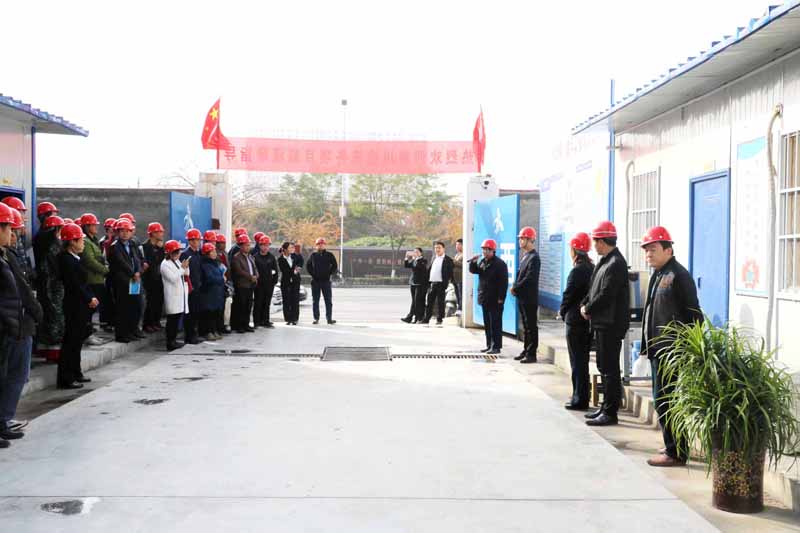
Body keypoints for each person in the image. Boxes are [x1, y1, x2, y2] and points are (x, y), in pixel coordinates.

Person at [639, 226, 702, 467]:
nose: (648, 254)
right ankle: (673, 445)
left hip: (672, 352)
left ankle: (675, 452)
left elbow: (694, 315)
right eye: (646, 250)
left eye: (653, 249)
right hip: (658, 349)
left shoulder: (679, 276)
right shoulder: (659, 274)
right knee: (662, 399)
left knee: (667, 400)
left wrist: (688, 350)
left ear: (668, 250)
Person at [581, 220, 630, 427]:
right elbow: (593, 288)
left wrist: (588, 309)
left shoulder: (616, 263)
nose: (594, 246)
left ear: (603, 241)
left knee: (610, 368)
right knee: (603, 365)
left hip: (611, 323)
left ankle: (610, 412)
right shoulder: (604, 261)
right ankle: (605, 407)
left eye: (595, 241)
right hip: (601, 322)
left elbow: (607, 294)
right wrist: (585, 304)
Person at [0, 203, 39, 445]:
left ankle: (3, 421)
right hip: (9, 328)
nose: (13, 234)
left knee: (15, 375)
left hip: (16, 326)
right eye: (9, 229)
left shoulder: (7, 256)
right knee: (12, 375)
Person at [57, 223, 99, 389]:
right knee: (71, 342)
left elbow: (83, 282)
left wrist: (91, 296)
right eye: (80, 240)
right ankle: (66, 378)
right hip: (74, 305)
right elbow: (75, 284)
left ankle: (76, 372)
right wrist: (89, 298)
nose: (82, 243)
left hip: (81, 305)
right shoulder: (66, 260)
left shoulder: (75, 258)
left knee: (77, 341)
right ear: (72, 242)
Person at [559, 233, 594, 410]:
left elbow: (569, 294)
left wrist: (562, 311)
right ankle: (582, 395)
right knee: (583, 360)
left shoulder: (577, 270)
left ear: (574, 250)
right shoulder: (592, 268)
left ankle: (579, 398)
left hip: (574, 320)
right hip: (586, 321)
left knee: (577, 361)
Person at [468, 239, 509, 354]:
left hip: (495, 299)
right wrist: (473, 262)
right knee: (487, 323)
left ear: (493, 250)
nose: (484, 252)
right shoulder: (483, 261)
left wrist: (501, 298)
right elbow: (474, 270)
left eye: (487, 250)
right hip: (484, 298)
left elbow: (504, 283)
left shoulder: (499, 264)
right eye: (483, 250)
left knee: (495, 323)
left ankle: (496, 346)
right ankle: (489, 345)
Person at [107, 218, 143, 343]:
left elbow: (137, 259)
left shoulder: (132, 244)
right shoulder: (115, 247)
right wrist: (133, 274)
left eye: (127, 231)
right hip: (122, 281)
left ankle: (132, 331)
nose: (125, 233)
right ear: (117, 232)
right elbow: (121, 263)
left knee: (134, 305)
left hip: (134, 280)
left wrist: (138, 271)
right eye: (122, 231)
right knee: (123, 308)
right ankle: (122, 334)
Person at [34, 211, 65, 349]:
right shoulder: (52, 245)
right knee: (54, 311)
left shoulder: (42, 240)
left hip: (48, 282)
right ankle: (53, 338)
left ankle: (51, 338)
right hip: (51, 283)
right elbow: (55, 266)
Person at [511, 227, 540, 364]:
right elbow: (520, 275)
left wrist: (516, 287)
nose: (520, 241)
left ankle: (531, 353)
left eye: (522, 238)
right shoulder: (526, 256)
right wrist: (515, 287)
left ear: (530, 240)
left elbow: (529, 278)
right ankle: (526, 350)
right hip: (522, 297)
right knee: (526, 326)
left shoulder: (534, 258)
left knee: (531, 326)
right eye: (520, 239)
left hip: (529, 298)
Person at [78, 213, 109, 346]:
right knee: (88, 310)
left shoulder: (93, 241)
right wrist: (105, 270)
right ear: (86, 226)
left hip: (98, 279)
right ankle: (87, 335)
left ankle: (89, 333)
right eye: (93, 225)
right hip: (91, 280)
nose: (96, 227)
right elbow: (90, 261)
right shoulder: (85, 241)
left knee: (92, 310)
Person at [160, 240, 190, 351]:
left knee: (176, 319)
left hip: (179, 295)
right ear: (170, 253)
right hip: (172, 295)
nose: (178, 254)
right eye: (176, 252)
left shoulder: (176, 261)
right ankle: (170, 342)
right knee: (172, 321)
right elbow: (173, 278)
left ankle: (174, 340)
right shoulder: (165, 264)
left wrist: (186, 267)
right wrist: (182, 268)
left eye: (179, 252)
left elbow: (185, 274)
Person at [196, 243, 226, 339]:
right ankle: (208, 332)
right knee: (208, 313)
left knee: (215, 313)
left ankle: (214, 330)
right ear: (207, 254)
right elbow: (210, 278)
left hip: (216, 293)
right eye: (212, 252)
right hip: (208, 293)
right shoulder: (205, 264)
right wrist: (222, 279)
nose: (214, 253)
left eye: (214, 251)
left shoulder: (215, 263)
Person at [307, 237, 338, 325]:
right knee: (315, 301)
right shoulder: (313, 255)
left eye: (322, 244)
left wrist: (329, 273)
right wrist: (313, 274)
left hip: (326, 281)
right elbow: (308, 266)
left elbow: (334, 265)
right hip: (315, 281)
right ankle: (316, 318)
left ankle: (329, 319)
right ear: (316, 245)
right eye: (318, 244)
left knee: (328, 301)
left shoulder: (329, 255)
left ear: (325, 245)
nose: (320, 245)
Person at [230, 234, 258, 333]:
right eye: (246, 245)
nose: (248, 247)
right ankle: (239, 325)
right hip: (241, 285)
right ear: (241, 246)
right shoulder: (236, 257)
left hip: (250, 285)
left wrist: (256, 276)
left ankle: (246, 324)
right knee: (240, 306)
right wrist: (250, 277)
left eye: (249, 245)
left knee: (248, 306)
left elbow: (255, 268)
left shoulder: (250, 257)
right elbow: (239, 271)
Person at [421, 241, 454, 325]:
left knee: (440, 302)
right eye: (435, 248)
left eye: (439, 248)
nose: (437, 249)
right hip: (432, 283)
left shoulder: (448, 260)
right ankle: (427, 318)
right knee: (429, 302)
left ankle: (440, 319)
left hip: (441, 284)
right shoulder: (434, 258)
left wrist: (447, 282)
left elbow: (450, 273)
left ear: (443, 249)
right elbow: (430, 270)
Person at [142, 222, 166, 332]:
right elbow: (150, 262)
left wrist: (161, 249)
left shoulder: (160, 247)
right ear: (153, 233)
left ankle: (156, 321)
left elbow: (162, 261)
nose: (162, 234)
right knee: (150, 301)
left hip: (159, 278)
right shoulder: (145, 247)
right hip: (149, 279)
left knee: (159, 301)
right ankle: (147, 324)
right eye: (159, 232)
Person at [180, 228, 203, 344]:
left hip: (198, 286)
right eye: (193, 240)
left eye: (197, 240)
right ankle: (189, 336)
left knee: (196, 312)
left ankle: (194, 334)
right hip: (189, 287)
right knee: (189, 312)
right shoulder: (185, 254)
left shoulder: (199, 254)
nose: (196, 242)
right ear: (189, 241)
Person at [253, 235, 278, 328]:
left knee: (267, 303)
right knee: (258, 303)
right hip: (259, 285)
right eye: (263, 245)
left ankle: (265, 321)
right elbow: (253, 270)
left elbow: (275, 270)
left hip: (269, 284)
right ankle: (257, 321)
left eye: (267, 245)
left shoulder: (271, 257)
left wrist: (274, 281)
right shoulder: (255, 257)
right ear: (260, 246)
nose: (266, 247)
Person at [98, 217, 117, 331]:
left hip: (114, 273)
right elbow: (103, 257)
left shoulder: (117, 241)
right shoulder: (103, 242)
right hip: (106, 273)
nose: (112, 231)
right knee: (106, 298)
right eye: (110, 229)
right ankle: (106, 321)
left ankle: (113, 321)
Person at [401, 248, 428, 324]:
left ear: (421, 253)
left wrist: (415, 259)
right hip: (413, 283)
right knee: (414, 301)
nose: (415, 253)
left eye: (417, 252)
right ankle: (410, 317)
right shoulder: (414, 260)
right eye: (414, 252)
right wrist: (406, 257)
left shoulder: (423, 260)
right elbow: (407, 265)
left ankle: (418, 317)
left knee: (418, 301)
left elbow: (417, 268)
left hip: (420, 284)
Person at [278, 242, 301, 325]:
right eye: (290, 247)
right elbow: (285, 271)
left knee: (295, 300)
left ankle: (295, 318)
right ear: (285, 249)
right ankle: (288, 318)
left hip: (295, 281)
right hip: (286, 282)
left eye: (293, 247)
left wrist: (298, 267)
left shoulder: (295, 256)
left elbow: (301, 261)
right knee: (286, 301)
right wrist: (294, 270)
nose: (292, 249)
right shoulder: (280, 259)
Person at [214, 233, 231, 335]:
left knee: (226, 305)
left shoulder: (225, 253)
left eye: (224, 243)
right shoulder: (215, 254)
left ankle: (224, 325)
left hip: (226, 282)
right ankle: (218, 327)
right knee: (219, 307)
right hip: (219, 282)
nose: (223, 245)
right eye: (220, 243)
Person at [452, 238, 464, 314]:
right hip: (455, 278)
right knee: (457, 294)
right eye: (456, 244)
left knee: (460, 294)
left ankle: (461, 308)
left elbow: (463, 265)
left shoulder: (464, 254)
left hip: (461, 278)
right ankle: (458, 307)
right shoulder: (457, 254)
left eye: (459, 244)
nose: (457, 246)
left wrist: (454, 261)